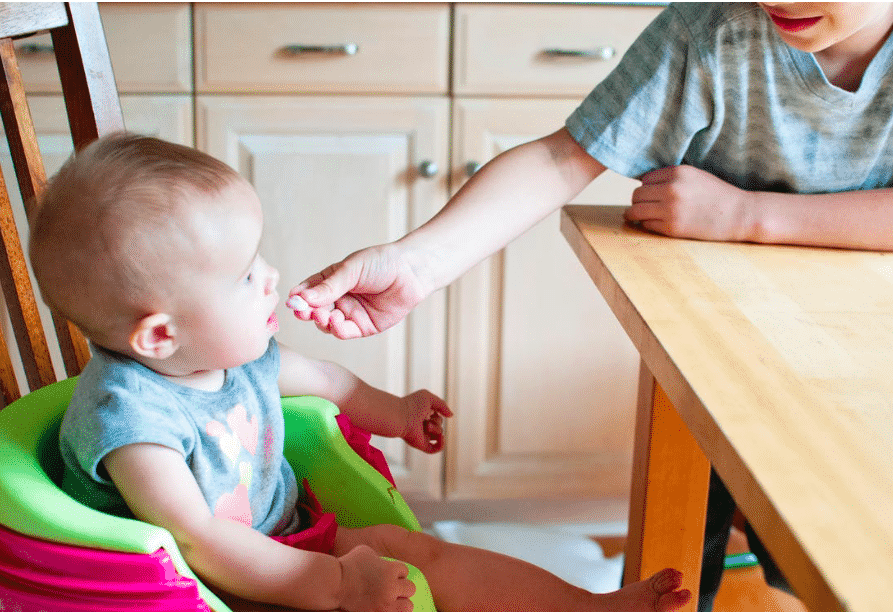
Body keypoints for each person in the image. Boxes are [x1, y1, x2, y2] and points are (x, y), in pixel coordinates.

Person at [289, 3, 893, 610]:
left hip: (861, 365)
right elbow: (562, 158)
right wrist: (417, 264)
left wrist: (748, 216)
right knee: (696, 555)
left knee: (828, 554)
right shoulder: (709, 31)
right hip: (718, 352)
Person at [30, 133, 690, 612]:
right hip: (198, 589)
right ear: (160, 335)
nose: (271, 278)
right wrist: (339, 585)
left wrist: (396, 411)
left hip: (286, 539)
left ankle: (586, 607)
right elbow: (196, 542)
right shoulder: (134, 426)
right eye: (243, 277)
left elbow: (329, 382)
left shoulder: (227, 355)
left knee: (419, 552)